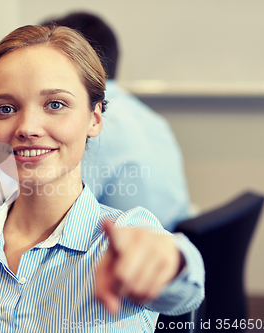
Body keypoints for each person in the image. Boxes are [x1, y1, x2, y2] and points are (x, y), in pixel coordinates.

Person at [0, 25, 204, 332]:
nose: (27, 127)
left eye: (55, 105)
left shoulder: (122, 238)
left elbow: (186, 292)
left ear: (94, 118)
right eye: (5, 109)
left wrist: (172, 262)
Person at [43, 13, 191, 231]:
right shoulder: (150, 117)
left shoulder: (93, 126)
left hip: (131, 249)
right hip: (173, 236)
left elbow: (58, 213)